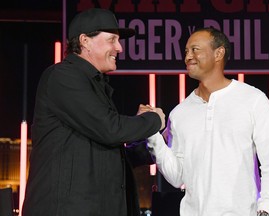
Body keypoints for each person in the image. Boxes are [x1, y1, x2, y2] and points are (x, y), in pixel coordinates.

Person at [22, 8, 165, 216]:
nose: (119, 48)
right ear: (85, 41)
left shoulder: (94, 85)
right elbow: (110, 129)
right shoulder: (63, 76)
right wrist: (153, 119)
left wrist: (152, 147)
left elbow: (103, 153)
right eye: (112, 40)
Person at [147, 27, 269, 216]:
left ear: (219, 53)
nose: (188, 57)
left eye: (195, 49)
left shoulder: (253, 99)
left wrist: (267, 209)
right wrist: (152, 134)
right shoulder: (180, 113)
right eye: (186, 51)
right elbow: (177, 177)